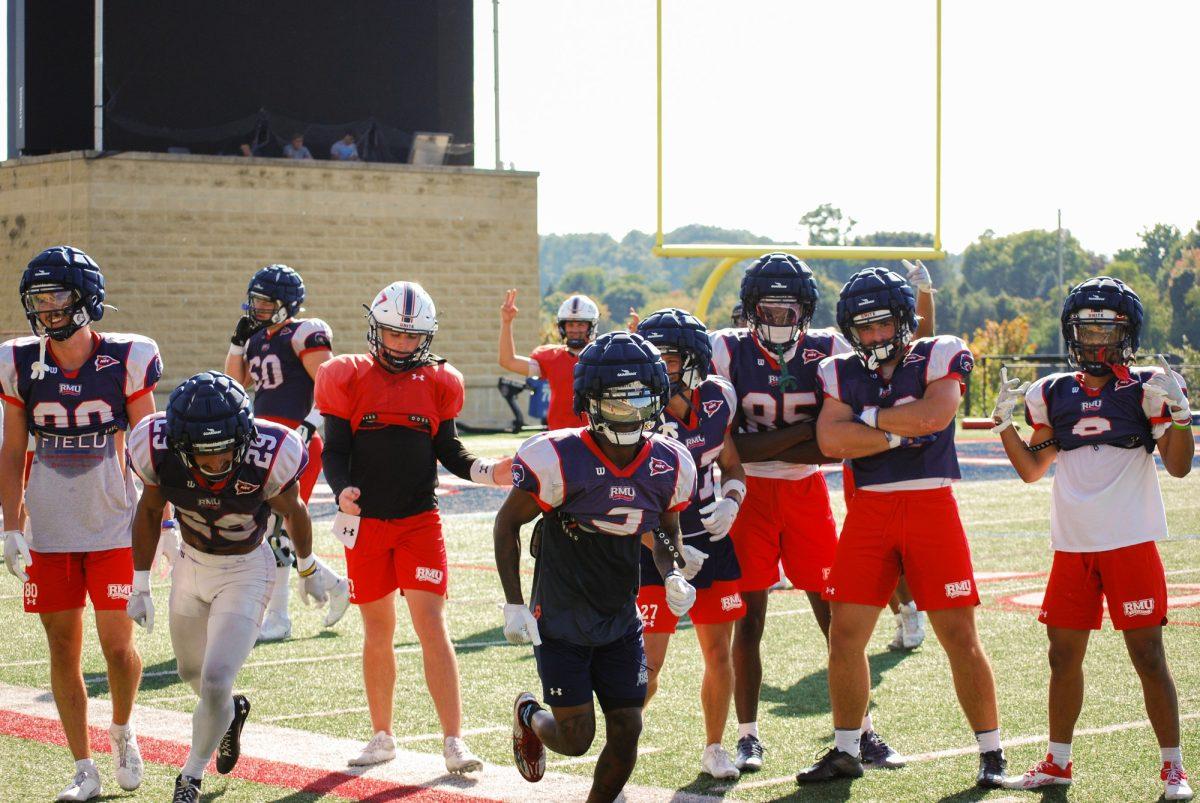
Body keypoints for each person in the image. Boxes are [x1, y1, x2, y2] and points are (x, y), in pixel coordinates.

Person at [800, 267, 1005, 788]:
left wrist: (865, 420)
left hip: (930, 506)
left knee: (959, 635)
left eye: (883, 324)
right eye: (864, 328)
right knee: (844, 635)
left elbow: (934, 417)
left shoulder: (939, 352)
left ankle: (992, 751)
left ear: (906, 320)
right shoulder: (838, 370)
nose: (875, 337)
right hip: (869, 511)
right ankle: (847, 749)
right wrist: (896, 430)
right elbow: (830, 441)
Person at [993, 277, 1194, 801]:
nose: (1098, 340)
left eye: (1109, 328)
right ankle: (1058, 762)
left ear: (1127, 333)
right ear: (1071, 333)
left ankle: (1174, 766)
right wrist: (1005, 427)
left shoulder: (1147, 387)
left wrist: (1180, 417)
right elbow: (1033, 470)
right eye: (1088, 329)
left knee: (1149, 656)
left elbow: (1177, 467)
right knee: (1062, 658)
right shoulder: (1052, 392)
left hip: (1129, 541)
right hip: (1073, 546)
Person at [709, 253, 900, 772]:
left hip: (806, 493)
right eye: (767, 311)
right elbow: (731, 451)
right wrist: (804, 436)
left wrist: (774, 444)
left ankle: (860, 732)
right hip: (745, 494)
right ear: (750, 310)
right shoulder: (723, 349)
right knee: (747, 621)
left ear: (806, 311)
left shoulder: (831, 349)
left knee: (837, 618)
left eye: (788, 311)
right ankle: (748, 735)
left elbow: (837, 445)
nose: (777, 321)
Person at [314, 280, 510, 772]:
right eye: (392, 334)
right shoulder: (346, 375)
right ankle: (382, 735)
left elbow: (450, 452)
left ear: (426, 336)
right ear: (375, 330)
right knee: (377, 630)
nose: (401, 344)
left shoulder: (441, 381)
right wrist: (342, 490)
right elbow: (335, 450)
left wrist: (489, 473)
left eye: (410, 336)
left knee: (431, 627)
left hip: (419, 522)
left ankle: (453, 740)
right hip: (367, 525)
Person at [494, 331, 698, 802]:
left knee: (628, 730)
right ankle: (529, 715)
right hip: (562, 612)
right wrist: (513, 603)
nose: (627, 413)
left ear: (657, 399)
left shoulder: (669, 461)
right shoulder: (557, 457)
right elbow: (507, 526)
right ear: (589, 402)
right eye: (615, 402)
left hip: (619, 613)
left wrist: (670, 571)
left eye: (638, 401)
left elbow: (665, 530)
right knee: (576, 738)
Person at [125, 372, 340, 802]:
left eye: (225, 450)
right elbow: (150, 511)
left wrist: (308, 567)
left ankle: (190, 776)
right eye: (204, 454)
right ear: (182, 444)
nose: (217, 463)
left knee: (217, 676)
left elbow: (294, 512)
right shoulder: (155, 447)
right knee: (191, 673)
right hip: (190, 564)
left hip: (246, 569)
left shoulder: (270, 453)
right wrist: (140, 582)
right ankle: (228, 716)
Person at [0, 246, 160, 801]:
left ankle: (122, 729)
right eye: (37, 298)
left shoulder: (128, 357)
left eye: (56, 296)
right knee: (61, 649)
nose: (45, 308)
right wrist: (12, 524)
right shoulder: (19, 361)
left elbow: (148, 448)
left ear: (86, 298)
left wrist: (161, 528)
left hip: (113, 526)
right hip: (49, 531)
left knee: (118, 648)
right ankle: (82, 766)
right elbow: (13, 445)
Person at [635, 308, 747, 780]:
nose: (661, 367)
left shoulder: (718, 398)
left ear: (696, 360)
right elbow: (627, 504)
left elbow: (733, 464)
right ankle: (623, 740)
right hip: (652, 544)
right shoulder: (637, 412)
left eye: (670, 357)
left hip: (708, 536)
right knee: (649, 663)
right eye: (654, 357)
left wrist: (734, 499)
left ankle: (716, 747)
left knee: (719, 652)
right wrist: (671, 549)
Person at [224, 264, 349, 641]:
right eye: (255, 301)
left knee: (278, 528)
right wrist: (236, 342)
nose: (257, 308)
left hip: (295, 439)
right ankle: (335, 584)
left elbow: (331, 386)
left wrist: (310, 424)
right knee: (270, 527)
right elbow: (233, 384)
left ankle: (279, 617)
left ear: (285, 303)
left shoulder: (304, 332)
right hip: (264, 439)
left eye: (265, 302)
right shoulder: (257, 338)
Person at [498, 289, 598, 430]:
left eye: (581, 324)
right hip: (560, 435)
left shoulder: (602, 355)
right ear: (562, 327)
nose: (574, 329)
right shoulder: (552, 357)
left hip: (596, 436)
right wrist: (506, 323)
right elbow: (508, 361)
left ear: (591, 326)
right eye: (570, 324)